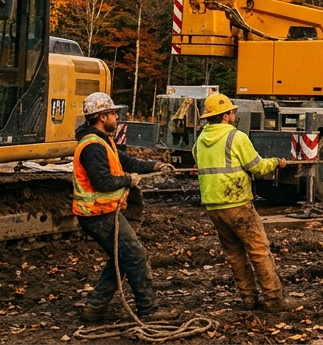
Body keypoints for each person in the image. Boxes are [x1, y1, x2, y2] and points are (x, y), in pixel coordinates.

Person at [72, 92, 175, 323]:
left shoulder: (102, 141)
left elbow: (125, 161)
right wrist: (129, 180)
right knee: (136, 255)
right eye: (112, 114)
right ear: (101, 117)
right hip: (98, 214)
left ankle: (94, 310)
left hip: (104, 212)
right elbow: (103, 182)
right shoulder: (92, 146)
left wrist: (154, 165)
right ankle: (149, 311)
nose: (116, 117)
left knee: (121, 259)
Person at [194, 93, 288, 311]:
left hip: (213, 206)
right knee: (258, 250)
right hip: (237, 204)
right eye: (232, 111)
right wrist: (276, 162)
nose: (234, 114)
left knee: (235, 254)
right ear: (225, 116)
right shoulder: (236, 137)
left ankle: (248, 299)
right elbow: (257, 167)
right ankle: (274, 300)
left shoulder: (200, 140)